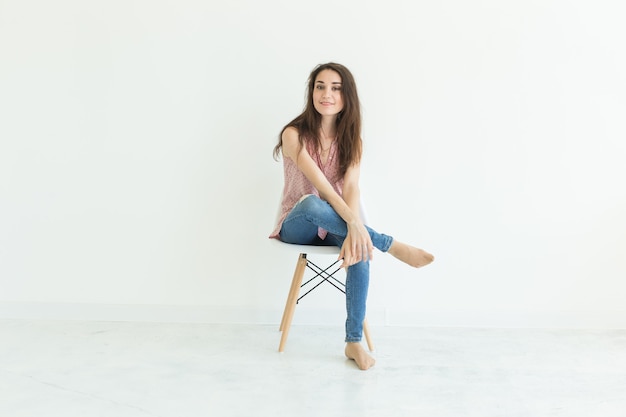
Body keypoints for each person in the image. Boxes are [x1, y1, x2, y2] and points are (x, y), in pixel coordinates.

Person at [270, 62, 434, 370]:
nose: (326, 94)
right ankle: (389, 244)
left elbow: (351, 189)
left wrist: (355, 229)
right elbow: (323, 189)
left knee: (358, 247)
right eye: (320, 86)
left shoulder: (353, 141)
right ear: (312, 92)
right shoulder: (294, 134)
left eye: (335, 88)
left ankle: (353, 342)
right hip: (300, 223)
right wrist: (356, 224)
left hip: (337, 222)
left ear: (347, 96)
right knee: (312, 203)